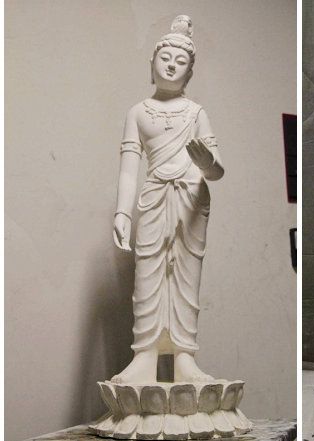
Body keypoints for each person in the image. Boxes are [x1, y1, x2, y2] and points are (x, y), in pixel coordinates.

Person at [111, 15, 225, 384]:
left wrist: (207, 163)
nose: (172, 64)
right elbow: (129, 168)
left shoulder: (196, 113)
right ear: (152, 63)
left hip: (191, 199)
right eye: (165, 58)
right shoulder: (138, 112)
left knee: (186, 279)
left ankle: (184, 358)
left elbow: (217, 170)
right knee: (148, 276)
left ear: (190, 72)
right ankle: (144, 355)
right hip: (154, 196)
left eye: (181, 61)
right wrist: (122, 212)